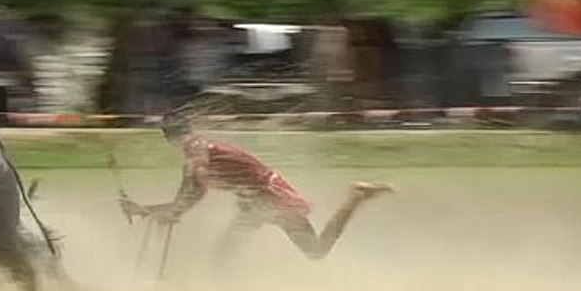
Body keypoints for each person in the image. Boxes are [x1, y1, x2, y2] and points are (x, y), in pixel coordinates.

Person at [118, 112, 394, 262]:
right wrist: (151, 210)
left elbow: (194, 186)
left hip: (269, 197)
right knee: (226, 251)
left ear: (168, 138)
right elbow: (182, 203)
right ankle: (356, 196)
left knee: (314, 251)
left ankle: (356, 196)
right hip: (256, 200)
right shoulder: (192, 158)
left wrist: (158, 209)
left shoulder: (196, 149)